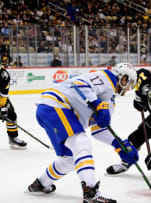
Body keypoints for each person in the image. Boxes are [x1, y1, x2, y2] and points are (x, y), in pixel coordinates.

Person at [27, 64, 139, 203]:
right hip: (56, 105)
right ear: (124, 78)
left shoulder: (110, 101)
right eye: (130, 84)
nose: (129, 88)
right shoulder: (107, 78)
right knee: (81, 143)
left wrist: (120, 145)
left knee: (69, 160)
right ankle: (91, 193)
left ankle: (40, 184)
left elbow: (99, 130)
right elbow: (79, 84)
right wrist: (96, 103)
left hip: (54, 111)